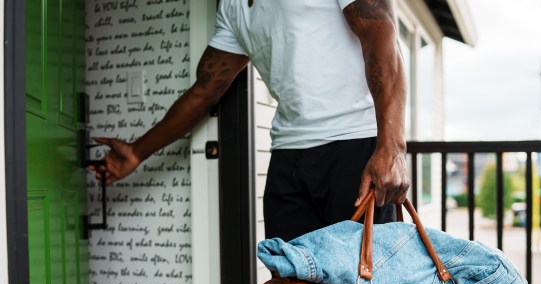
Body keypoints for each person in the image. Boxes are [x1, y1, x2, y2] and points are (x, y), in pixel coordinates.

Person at [92, 0, 410, 241]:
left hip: (356, 148)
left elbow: (382, 33)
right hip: (289, 160)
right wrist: (137, 152)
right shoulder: (234, 6)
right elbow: (204, 91)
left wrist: (391, 147)